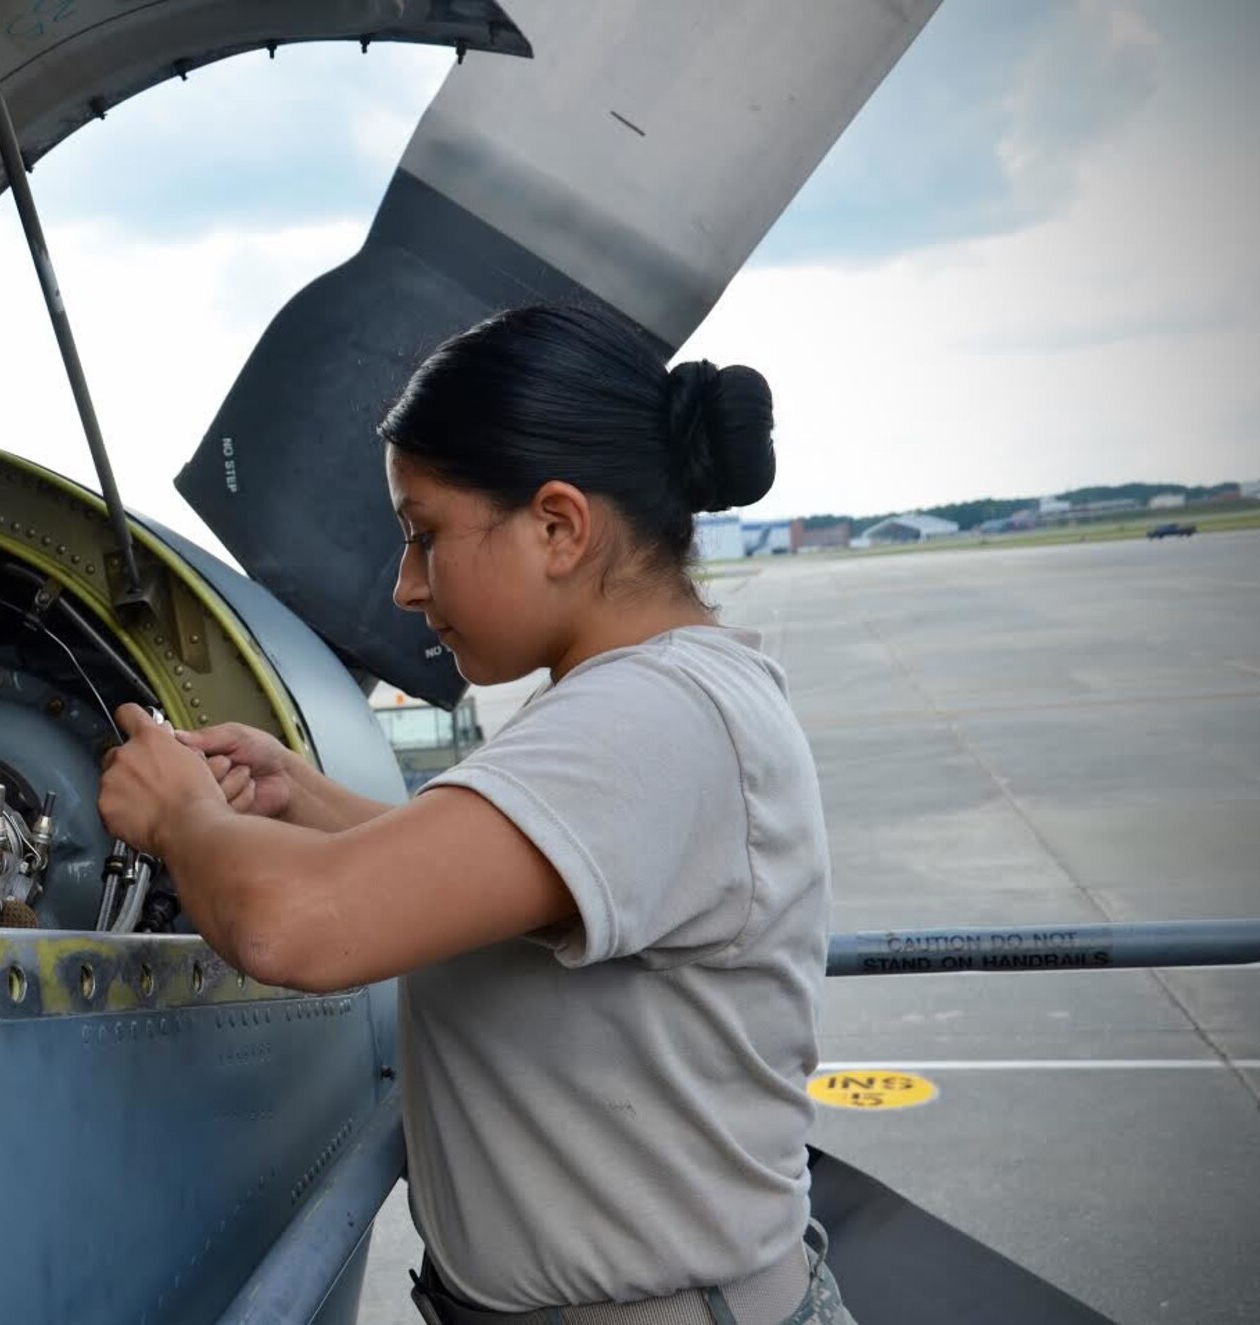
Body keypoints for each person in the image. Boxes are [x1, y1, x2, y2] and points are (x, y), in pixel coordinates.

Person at [96, 302, 848, 1325]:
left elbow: (293, 926)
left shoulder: (650, 716)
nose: (405, 585)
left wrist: (182, 815)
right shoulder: (654, 698)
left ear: (557, 525)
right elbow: (497, 884)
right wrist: (297, 797)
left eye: (424, 535)